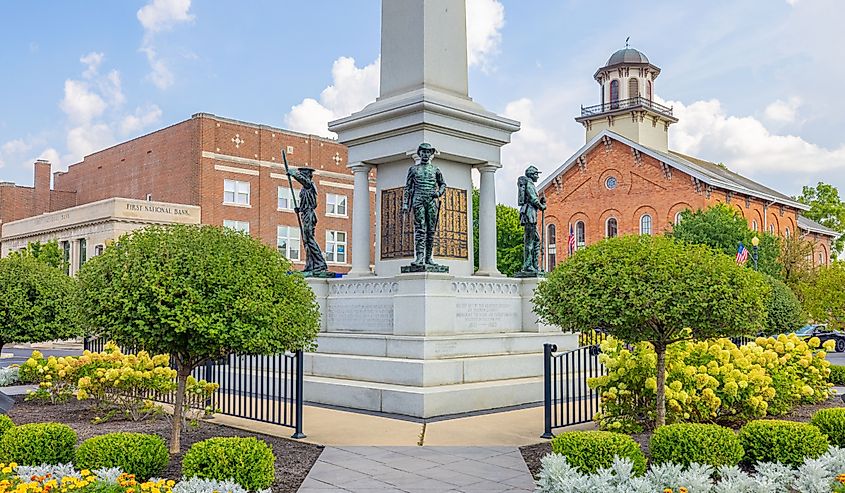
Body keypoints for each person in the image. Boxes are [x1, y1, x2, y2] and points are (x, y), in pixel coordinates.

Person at [402, 143, 447, 267]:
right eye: (423, 152)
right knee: (420, 229)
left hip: (431, 201)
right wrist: (405, 204)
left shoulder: (435, 169)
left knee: (431, 231)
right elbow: (407, 187)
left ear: (431, 154)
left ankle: (428, 258)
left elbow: (443, 184)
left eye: (428, 152)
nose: (426, 154)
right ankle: (419, 257)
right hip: (418, 200)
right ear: (419, 153)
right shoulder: (413, 169)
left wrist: (438, 193)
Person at [287, 167, 328, 274]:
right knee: (306, 240)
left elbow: (304, 181)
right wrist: (299, 209)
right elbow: (306, 202)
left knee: (309, 239)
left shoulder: (309, 185)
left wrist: (294, 174)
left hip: (309, 214)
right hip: (305, 213)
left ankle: (320, 263)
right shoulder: (304, 189)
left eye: (302, 174)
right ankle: (310, 264)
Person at [517, 165, 546, 274]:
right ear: (531, 174)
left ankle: (534, 264)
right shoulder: (529, 184)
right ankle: (528, 265)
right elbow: (533, 199)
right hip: (529, 214)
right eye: (536, 174)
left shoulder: (531, 184)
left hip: (531, 214)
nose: (537, 177)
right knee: (530, 241)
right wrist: (541, 206)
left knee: (536, 240)